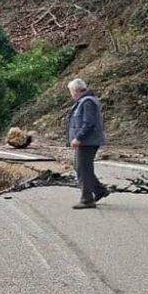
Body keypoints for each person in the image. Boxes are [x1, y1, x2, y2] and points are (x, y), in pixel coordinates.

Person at [66, 78, 109, 209]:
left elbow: (89, 123)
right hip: (86, 141)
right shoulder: (83, 101)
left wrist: (78, 138)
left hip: (87, 142)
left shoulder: (87, 102)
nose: (71, 94)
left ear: (75, 90)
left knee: (83, 169)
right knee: (80, 167)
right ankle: (99, 190)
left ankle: (87, 199)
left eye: (71, 91)